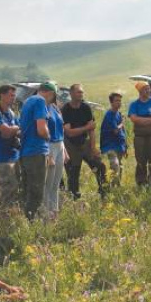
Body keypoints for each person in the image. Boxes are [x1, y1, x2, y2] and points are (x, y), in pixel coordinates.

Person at [62, 84, 107, 199]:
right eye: (78, 92)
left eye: (82, 92)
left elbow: (92, 129)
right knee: (73, 174)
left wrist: (93, 147)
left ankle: (103, 193)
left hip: (84, 142)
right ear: (71, 94)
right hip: (70, 144)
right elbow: (69, 132)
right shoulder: (65, 109)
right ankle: (74, 198)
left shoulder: (85, 108)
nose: (81, 94)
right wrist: (85, 128)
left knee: (99, 166)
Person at [19, 82, 55, 219]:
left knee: (28, 189)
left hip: (26, 151)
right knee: (37, 191)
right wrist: (48, 135)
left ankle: (26, 218)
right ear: (50, 93)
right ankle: (32, 221)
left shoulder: (27, 101)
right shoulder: (40, 101)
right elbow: (41, 129)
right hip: (36, 150)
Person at [128, 82, 151, 185]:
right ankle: (141, 182)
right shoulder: (134, 104)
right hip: (140, 137)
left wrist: (141, 120)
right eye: (145, 89)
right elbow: (133, 119)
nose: (148, 91)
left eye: (149, 89)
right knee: (140, 159)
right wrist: (150, 120)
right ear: (139, 91)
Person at [44, 89, 67, 218]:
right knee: (48, 182)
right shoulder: (43, 109)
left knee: (57, 182)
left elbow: (61, 130)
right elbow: (44, 132)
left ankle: (55, 211)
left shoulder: (55, 108)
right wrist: (48, 154)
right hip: (50, 145)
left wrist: (65, 150)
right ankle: (46, 213)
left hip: (60, 145)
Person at [100, 92, 128, 186]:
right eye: (116, 101)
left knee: (120, 166)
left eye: (120, 101)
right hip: (110, 145)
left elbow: (122, 132)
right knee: (115, 165)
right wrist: (122, 123)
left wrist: (125, 146)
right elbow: (116, 130)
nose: (119, 103)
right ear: (111, 102)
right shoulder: (109, 114)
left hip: (119, 145)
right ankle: (111, 186)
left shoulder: (118, 114)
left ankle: (117, 186)